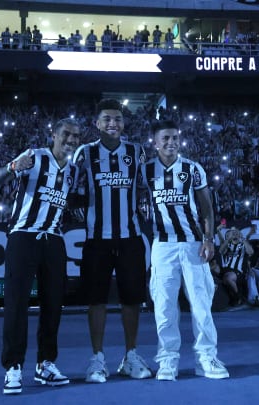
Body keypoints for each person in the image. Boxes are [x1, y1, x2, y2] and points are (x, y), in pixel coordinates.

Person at [0, 118, 81, 395]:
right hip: (23, 236)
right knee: (16, 303)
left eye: (76, 136)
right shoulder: (34, 156)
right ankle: (13, 366)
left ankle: (45, 364)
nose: (71, 140)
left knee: (53, 304)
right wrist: (12, 167)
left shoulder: (74, 171)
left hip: (54, 240)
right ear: (53, 134)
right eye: (66, 134)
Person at [141, 120, 229, 380]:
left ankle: (206, 358)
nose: (171, 142)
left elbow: (207, 208)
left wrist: (209, 239)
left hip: (193, 244)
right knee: (165, 306)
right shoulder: (145, 171)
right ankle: (167, 359)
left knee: (201, 305)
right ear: (155, 142)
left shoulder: (192, 168)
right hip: (163, 245)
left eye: (175, 137)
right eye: (165, 138)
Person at [72, 99, 152, 383]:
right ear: (97, 123)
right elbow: (68, 186)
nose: (113, 124)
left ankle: (131, 356)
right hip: (97, 239)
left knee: (132, 300)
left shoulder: (136, 151)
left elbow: (150, 186)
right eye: (107, 119)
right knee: (97, 301)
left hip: (130, 238)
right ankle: (97, 358)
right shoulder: (85, 153)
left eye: (117, 119)